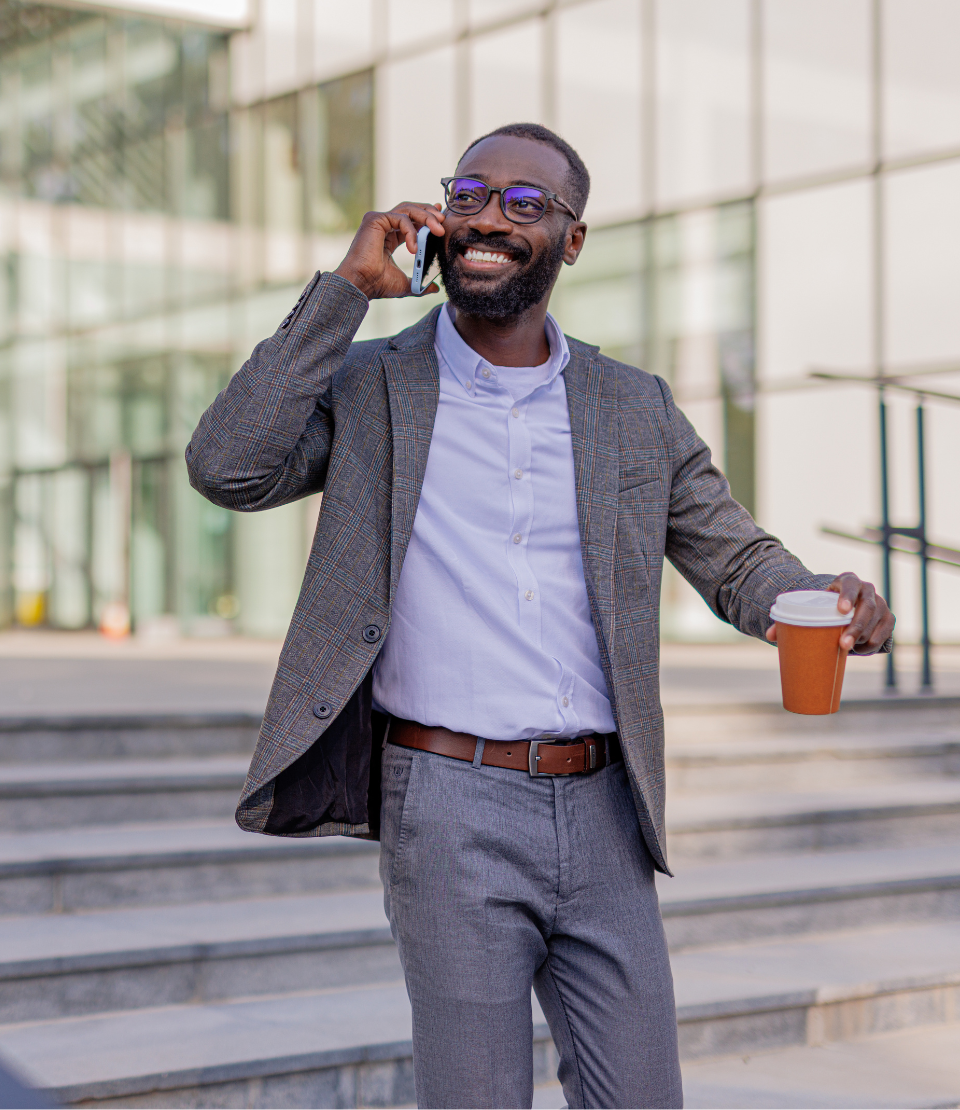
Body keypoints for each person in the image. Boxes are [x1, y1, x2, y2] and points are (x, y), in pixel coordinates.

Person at [186, 122, 895, 1109]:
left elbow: (736, 559)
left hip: (607, 808)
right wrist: (345, 293)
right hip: (448, 804)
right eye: (470, 193)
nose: (489, 217)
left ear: (571, 239)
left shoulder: (631, 406)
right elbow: (227, 465)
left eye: (526, 204)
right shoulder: (375, 387)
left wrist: (831, 603)